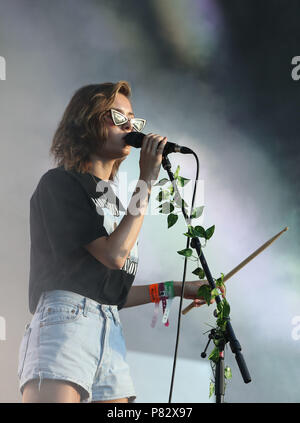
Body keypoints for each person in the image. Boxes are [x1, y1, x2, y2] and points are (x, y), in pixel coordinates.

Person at [18, 81, 208, 403]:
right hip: (65, 324)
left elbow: (113, 292)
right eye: (117, 117)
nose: (130, 126)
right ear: (88, 122)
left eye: (132, 119)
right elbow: (115, 255)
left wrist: (177, 288)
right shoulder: (60, 184)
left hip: (109, 328)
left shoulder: (115, 201)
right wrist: (146, 180)